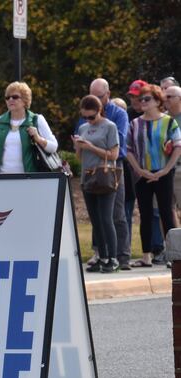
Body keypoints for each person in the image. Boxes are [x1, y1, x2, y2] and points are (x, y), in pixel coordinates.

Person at [125, 84, 181, 267]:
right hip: (142, 174)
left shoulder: (169, 122)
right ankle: (146, 255)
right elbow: (129, 150)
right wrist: (140, 170)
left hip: (164, 173)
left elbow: (178, 147)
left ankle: (174, 256)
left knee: (166, 212)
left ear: (158, 101)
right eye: (140, 99)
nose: (142, 102)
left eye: (147, 99)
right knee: (145, 214)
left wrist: (165, 170)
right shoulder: (134, 123)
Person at [84, 78, 131, 271]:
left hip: (111, 168)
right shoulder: (85, 118)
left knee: (116, 214)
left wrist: (91, 145)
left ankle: (121, 255)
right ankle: (101, 255)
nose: (95, 100)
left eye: (99, 96)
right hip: (90, 169)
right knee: (97, 216)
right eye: (92, 96)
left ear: (108, 95)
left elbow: (117, 146)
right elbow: (82, 143)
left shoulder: (117, 115)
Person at [75, 95, 121, 273]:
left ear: (99, 111)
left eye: (92, 117)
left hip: (104, 176)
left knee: (105, 218)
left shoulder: (109, 126)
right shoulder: (83, 127)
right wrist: (79, 146)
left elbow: (114, 154)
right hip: (87, 177)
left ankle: (113, 257)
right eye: (85, 116)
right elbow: (80, 157)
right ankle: (101, 256)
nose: (89, 120)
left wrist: (90, 146)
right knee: (95, 220)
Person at [0, 81, 58, 174]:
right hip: (1, 178)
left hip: (28, 180)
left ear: (25, 100)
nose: (10, 100)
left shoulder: (37, 120)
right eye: (7, 98)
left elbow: (53, 147)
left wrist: (38, 138)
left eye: (15, 97)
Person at [166, 86, 181, 224]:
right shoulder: (162, 118)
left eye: (170, 97)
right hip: (165, 169)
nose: (166, 99)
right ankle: (172, 244)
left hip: (180, 168)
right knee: (166, 209)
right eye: (165, 96)